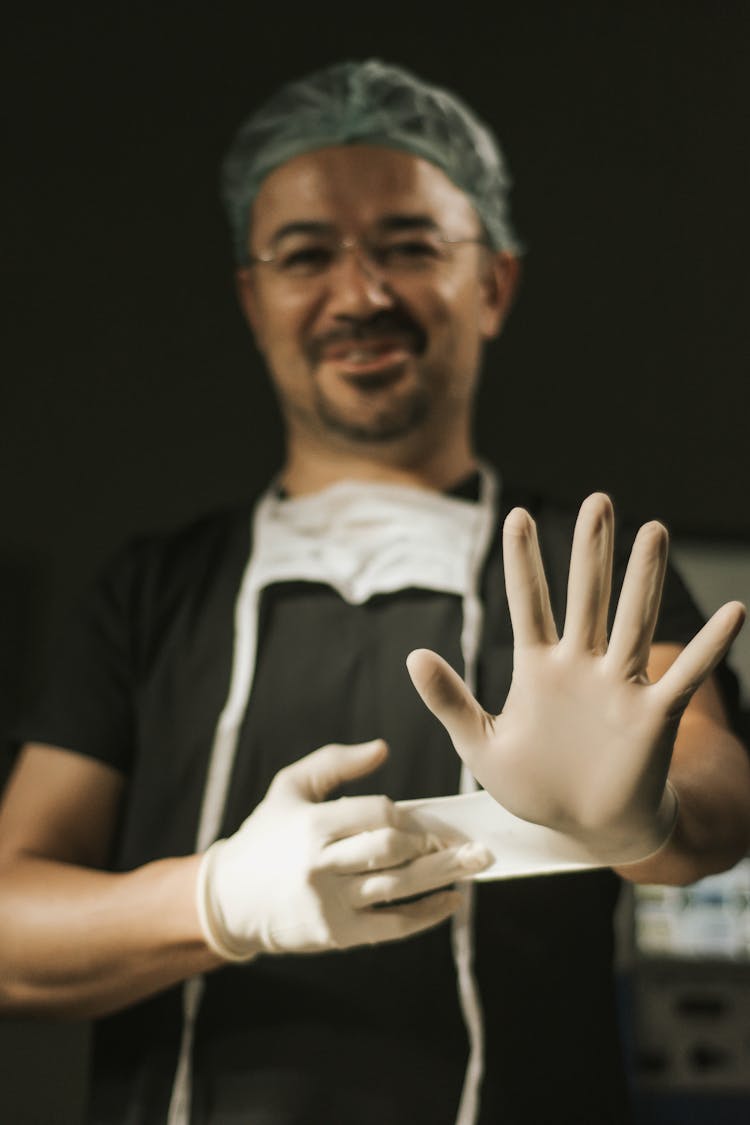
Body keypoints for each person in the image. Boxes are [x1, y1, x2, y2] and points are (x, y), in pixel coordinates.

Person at [1, 58, 749, 1125]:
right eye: (307, 255)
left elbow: (715, 800)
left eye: (410, 247)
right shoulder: (154, 592)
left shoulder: (592, 576)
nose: (362, 294)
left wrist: (645, 819)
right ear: (255, 299)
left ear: (491, 283)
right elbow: (9, 937)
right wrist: (217, 902)